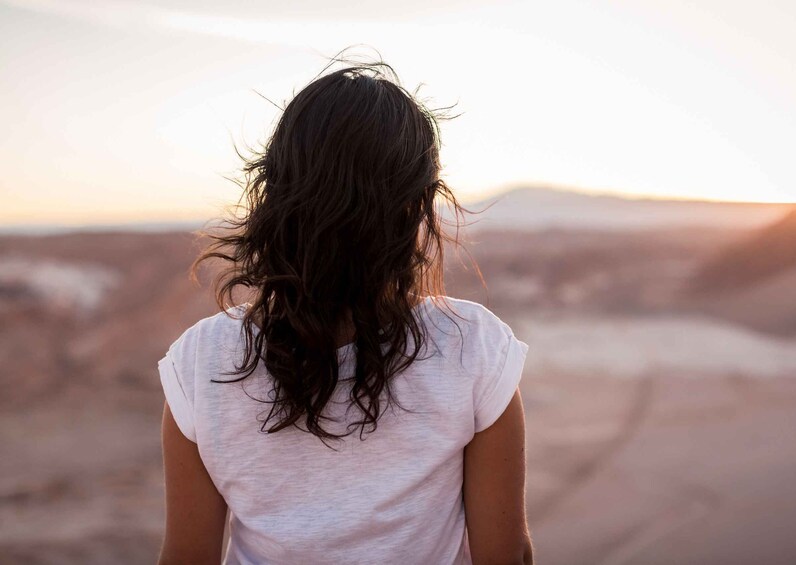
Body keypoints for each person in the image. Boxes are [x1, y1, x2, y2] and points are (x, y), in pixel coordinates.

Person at [156, 56, 533, 565]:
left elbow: (185, 557)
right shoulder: (473, 347)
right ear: (415, 205)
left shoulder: (200, 361)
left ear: (274, 192)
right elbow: (507, 557)